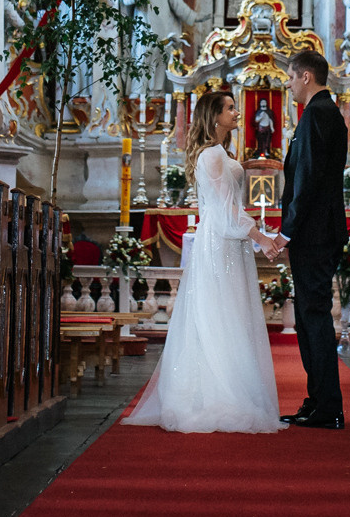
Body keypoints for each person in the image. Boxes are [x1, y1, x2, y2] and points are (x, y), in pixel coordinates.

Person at [122, 90, 286, 434]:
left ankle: (232, 388)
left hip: (229, 241)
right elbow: (226, 209)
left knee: (231, 312)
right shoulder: (211, 155)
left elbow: (230, 208)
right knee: (220, 313)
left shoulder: (220, 153)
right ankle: (218, 396)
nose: (237, 113)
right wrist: (260, 238)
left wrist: (255, 237)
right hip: (221, 241)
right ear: (214, 117)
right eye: (230, 108)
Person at [269, 48, 349, 429]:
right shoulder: (321, 113)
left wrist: (287, 230)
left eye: (290, 77)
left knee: (313, 317)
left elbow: (307, 178)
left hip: (315, 233)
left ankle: (327, 406)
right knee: (307, 316)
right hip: (316, 232)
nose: (287, 84)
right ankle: (317, 400)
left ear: (306, 76)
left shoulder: (318, 114)